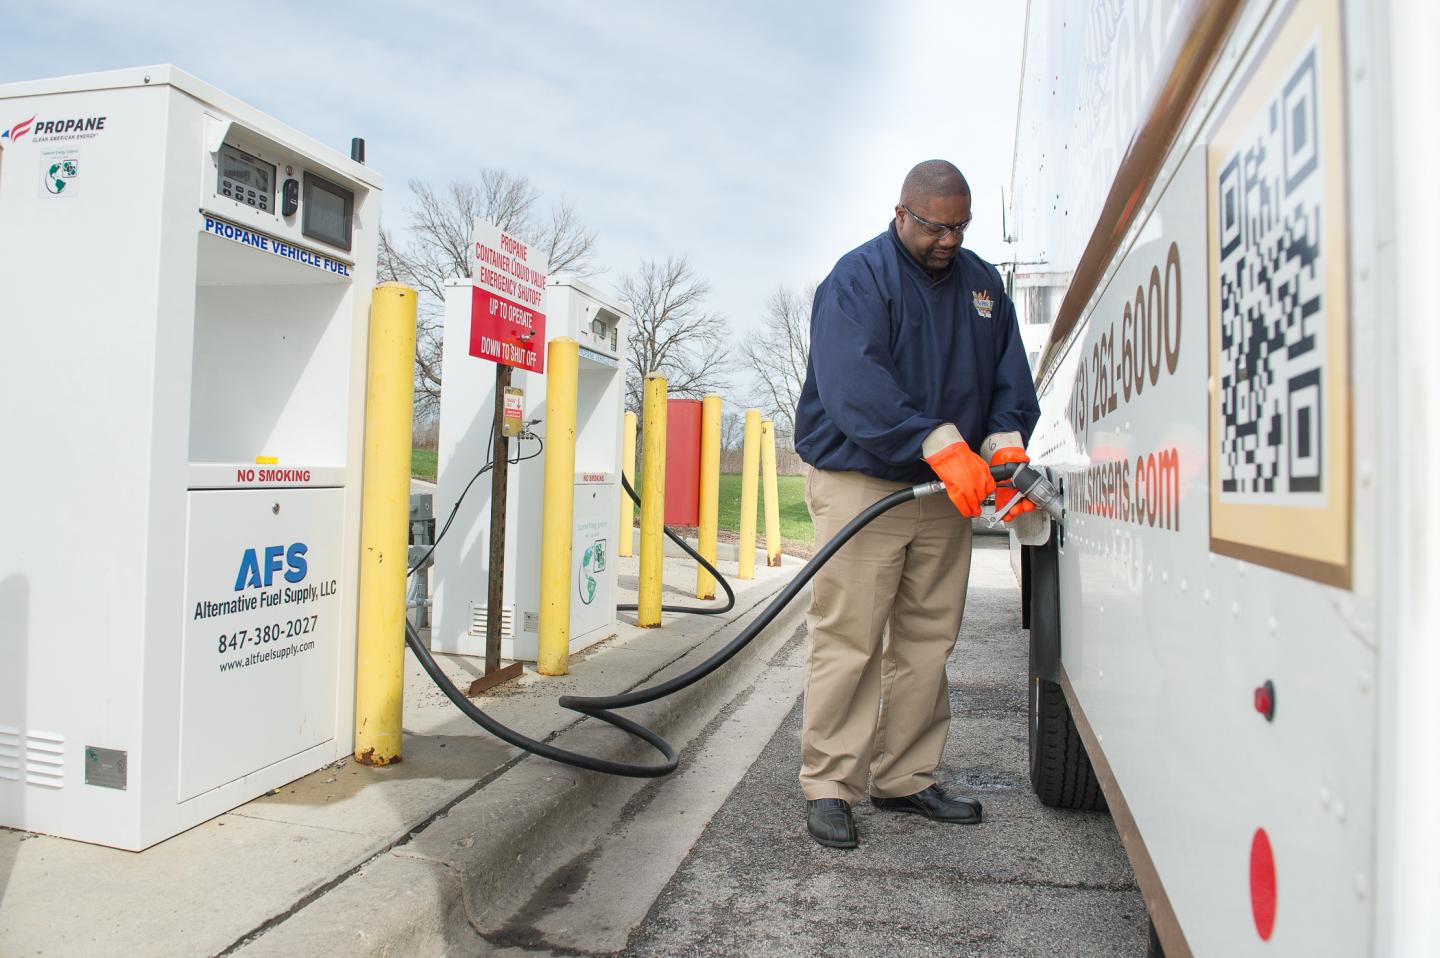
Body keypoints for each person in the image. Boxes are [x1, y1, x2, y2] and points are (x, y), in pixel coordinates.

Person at [792, 159, 1040, 849]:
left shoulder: (983, 285)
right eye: (934, 227)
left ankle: (904, 776)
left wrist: (1005, 442)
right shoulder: (856, 279)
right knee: (850, 636)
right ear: (901, 213)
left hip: (947, 487)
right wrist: (933, 440)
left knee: (929, 637)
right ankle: (830, 783)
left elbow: (1008, 377)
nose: (948, 241)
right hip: (865, 480)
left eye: (960, 227)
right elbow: (855, 385)